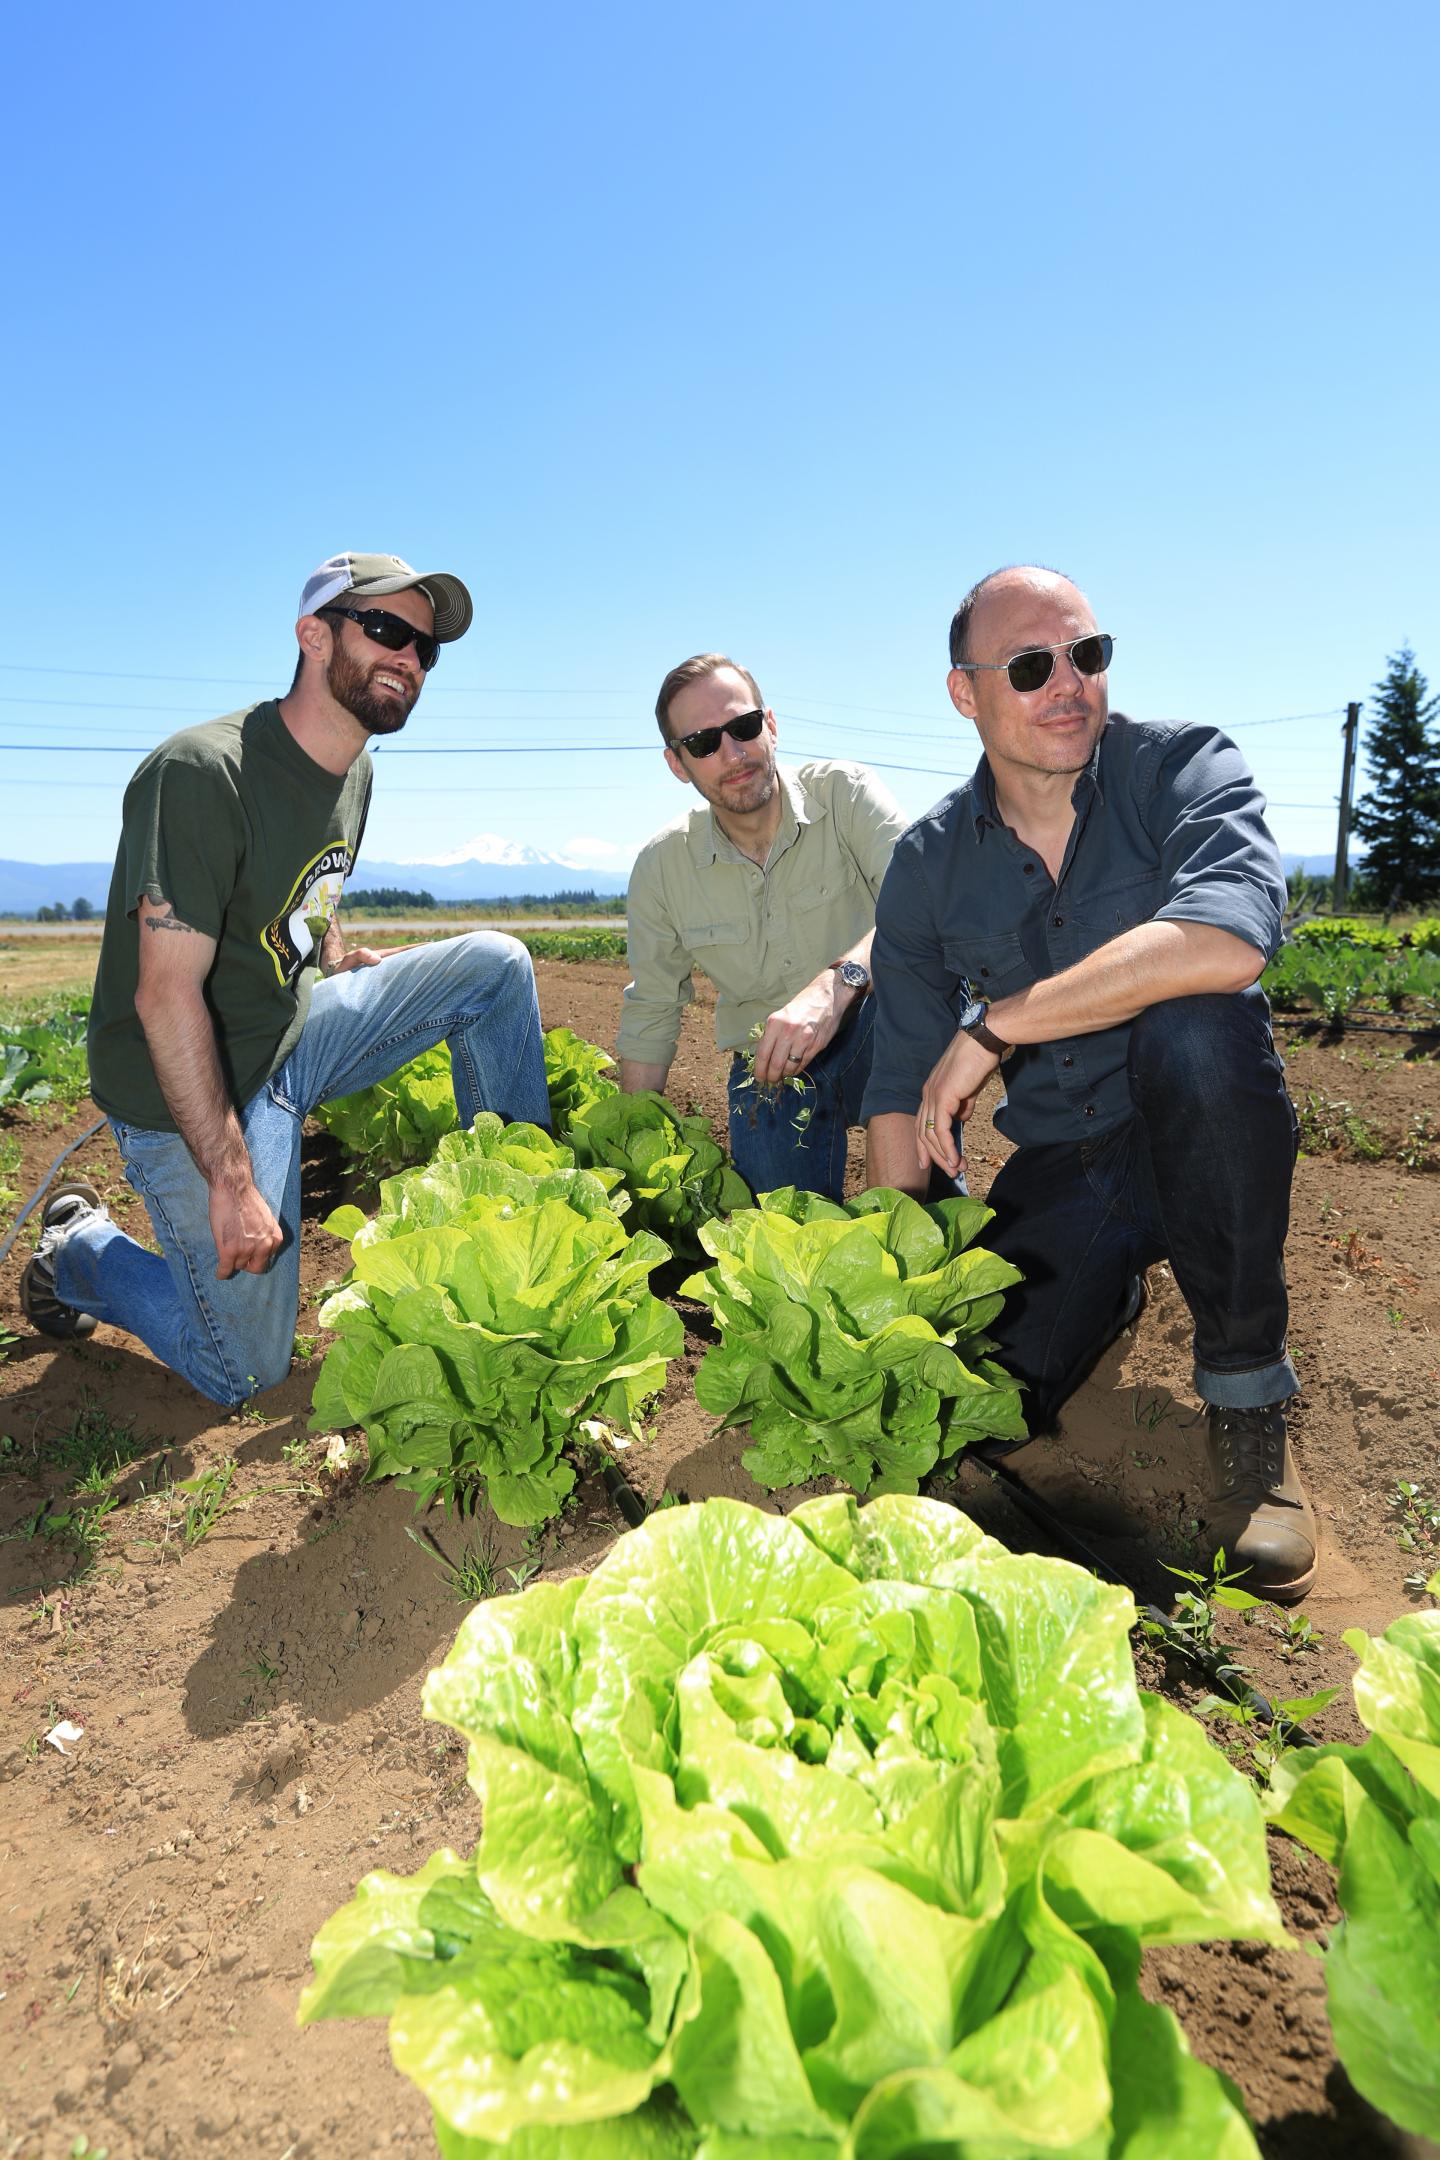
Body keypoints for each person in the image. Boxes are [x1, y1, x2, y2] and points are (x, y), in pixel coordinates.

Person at [863, 565, 1315, 1601]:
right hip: (1069, 1157)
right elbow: (897, 1085)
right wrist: (888, 1297)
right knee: (986, 1398)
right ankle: (1104, 1282)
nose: (1070, 684)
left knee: (1197, 1024)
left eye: (1089, 655)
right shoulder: (930, 862)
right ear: (965, 694)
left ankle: (1248, 1404)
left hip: (1198, 1121)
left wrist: (998, 1027)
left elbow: (1225, 940)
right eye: (1031, 667)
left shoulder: (1183, 767)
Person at [21, 552, 550, 1406]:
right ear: (313, 636)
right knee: (248, 1368)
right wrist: (232, 1183)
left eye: (426, 647)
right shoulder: (202, 773)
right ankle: (81, 1251)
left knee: (495, 965)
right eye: (386, 630)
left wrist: (336, 957)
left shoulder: (357, 766)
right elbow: (164, 996)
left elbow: (309, 883)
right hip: (187, 1087)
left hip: (292, 1034)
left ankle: (524, 1229)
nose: (410, 657)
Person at [617, 653, 908, 1201]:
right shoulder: (662, 867)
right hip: (771, 1069)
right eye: (704, 743)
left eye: (743, 727)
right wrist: (630, 1144)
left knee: (924, 1216)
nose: (733, 752)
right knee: (783, 1242)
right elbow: (652, 1009)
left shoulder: (845, 794)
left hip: (878, 1027)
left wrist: (837, 985)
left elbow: (925, 906)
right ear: (678, 764)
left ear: (770, 726)